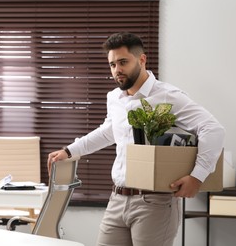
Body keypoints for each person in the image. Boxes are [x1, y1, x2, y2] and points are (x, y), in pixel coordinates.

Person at [47, 32, 225, 246]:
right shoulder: (114, 98)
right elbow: (108, 132)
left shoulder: (168, 96)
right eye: (112, 64)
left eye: (123, 62)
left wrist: (197, 177)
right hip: (117, 199)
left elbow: (213, 129)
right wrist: (69, 151)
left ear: (141, 60)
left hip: (154, 202)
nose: (117, 70)